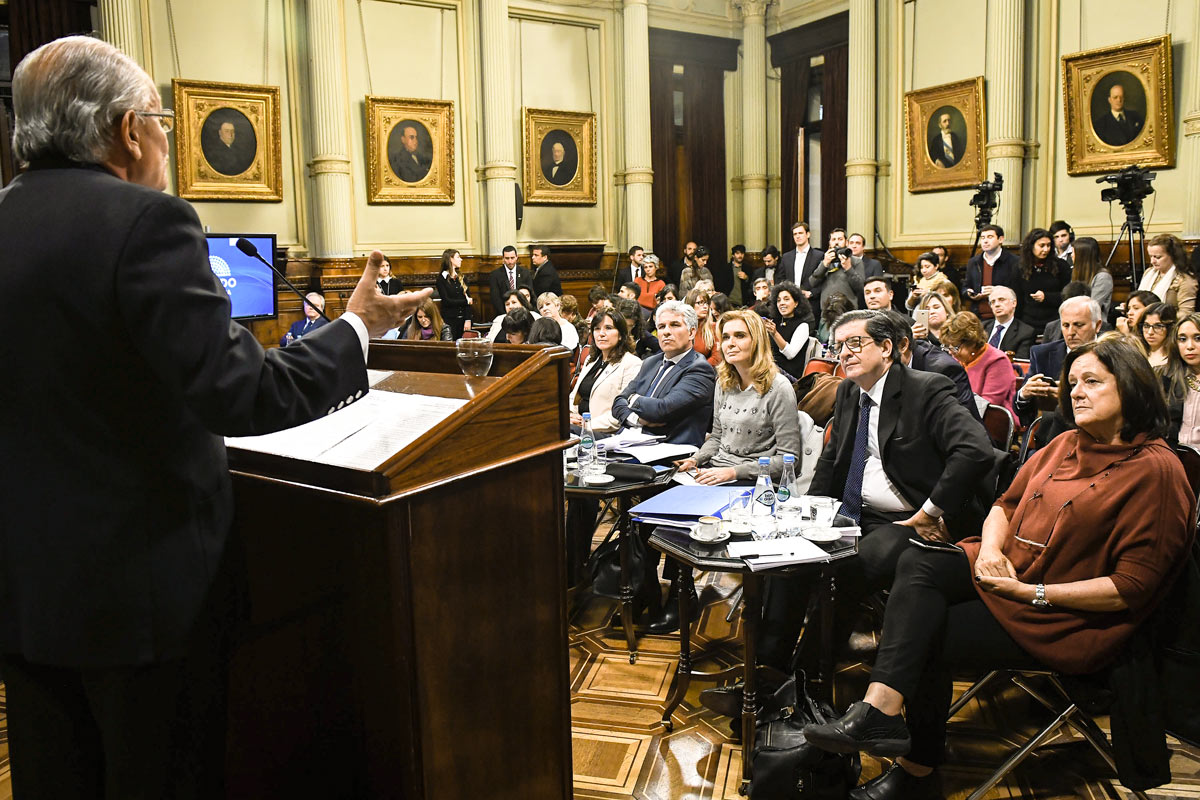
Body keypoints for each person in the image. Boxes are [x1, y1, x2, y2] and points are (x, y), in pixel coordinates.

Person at [0, 35, 431, 799]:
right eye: (161, 120)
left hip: (26, 596)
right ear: (131, 129)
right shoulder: (145, 222)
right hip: (143, 604)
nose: (164, 137)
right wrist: (357, 327)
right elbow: (245, 393)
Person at [802, 335, 1193, 799]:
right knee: (918, 559)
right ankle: (879, 712)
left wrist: (1034, 594)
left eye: (1093, 382)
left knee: (923, 629)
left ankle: (916, 771)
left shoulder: (1157, 471)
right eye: (1072, 383)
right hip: (1011, 574)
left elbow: (1131, 588)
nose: (1076, 392)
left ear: (1132, 388)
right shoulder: (1065, 442)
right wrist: (990, 549)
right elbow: (1004, 506)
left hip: (1066, 616)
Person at [749, 310, 994, 688]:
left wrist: (931, 511)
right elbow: (833, 458)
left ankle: (803, 685)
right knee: (787, 558)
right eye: (838, 345)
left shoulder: (927, 388)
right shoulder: (849, 390)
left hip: (910, 518)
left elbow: (976, 451)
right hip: (852, 512)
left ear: (888, 348)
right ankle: (764, 676)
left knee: (847, 567)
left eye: (854, 343)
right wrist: (808, 512)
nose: (843, 353)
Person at [676, 309, 802, 485]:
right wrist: (695, 459)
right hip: (717, 471)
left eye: (740, 336)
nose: (730, 343)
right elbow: (717, 438)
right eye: (726, 337)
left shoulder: (779, 387)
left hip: (753, 480)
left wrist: (733, 472)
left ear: (757, 341)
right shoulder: (723, 383)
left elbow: (789, 460)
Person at [611, 300, 717, 447]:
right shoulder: (651, 363)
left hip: (668, 450)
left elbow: (662, 410)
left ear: (692, 332)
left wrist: (633, 398)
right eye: (661, 326)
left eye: (674, 325)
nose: (666, 331)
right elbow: (617, 403)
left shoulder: (699, 369)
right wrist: (636, 420)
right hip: (629, 441)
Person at [1015, 296, 1102, 443]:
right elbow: (1021, 411)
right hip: (1049, 437)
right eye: (1065, 325)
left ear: (1097, 325)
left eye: (1078, 325)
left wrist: (1066, 398)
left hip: (1096, 434)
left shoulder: (1111, 355)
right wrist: (1024, 395)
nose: (1071, 332)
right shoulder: (1042, 354)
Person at [885, 311, 982, 421]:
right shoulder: (875, 371)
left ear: (903, 345)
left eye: (885, 348)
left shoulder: (943, 370)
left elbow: (962, 425)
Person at [570, 310, 643, 435]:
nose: (601, 334)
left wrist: (587, 423)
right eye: (597, 329)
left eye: (608, 328)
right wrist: (570, 416)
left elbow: (624, 410)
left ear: (621, 334)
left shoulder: (631, 363)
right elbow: (574, 397)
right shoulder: (591, 360)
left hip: (605, 432)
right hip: (577, 427)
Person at [940, 311, 1018, 416]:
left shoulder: (998, 361)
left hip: (992, 423)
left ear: (972, 342)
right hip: (960, 417)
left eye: (955, 347)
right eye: (947, 346)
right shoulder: (958, 359)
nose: (950, 352)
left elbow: (988, 405)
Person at [1016, 227, 1072, 332]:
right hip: (1028, 320)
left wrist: (1046, 297)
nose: (1046, 249)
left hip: (1054, 319)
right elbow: (1017, 296)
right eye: (1041, 246)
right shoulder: (1019, 267)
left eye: (1049, 245)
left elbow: (1067, 295)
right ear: (1031, 246)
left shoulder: (1061, 266)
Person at [964, 224, 1021, 319]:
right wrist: (969, 293)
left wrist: (998, 290)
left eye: (990, 237)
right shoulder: (973, 262)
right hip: (978, 315)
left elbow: (1019, 289)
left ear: (1000, 239)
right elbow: (965, 286)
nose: (985, 241)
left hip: (1005, 316)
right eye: (982, 238)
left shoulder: (1014, 262)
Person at [1163, 312, 1200, 446]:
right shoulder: (1167, 377)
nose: (1189, 346)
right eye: (1182, 339)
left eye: (1198, 338)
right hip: (1176, 457)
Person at [766, 280, 815, 378]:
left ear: (796, 303)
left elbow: (790, 354)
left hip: (789, 375)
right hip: (770, 370)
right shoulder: (774, 322)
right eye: (779, 300)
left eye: (786, 299)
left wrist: (775, 334)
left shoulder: (802, 326)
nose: (782, 303)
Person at [1139, 233, 1197, 314]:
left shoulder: (1185, 280)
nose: (1152, 261)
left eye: (1157, 257)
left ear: (1173, 256)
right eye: (1150, 256)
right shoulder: (1148, 272)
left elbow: (1186, 314)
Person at [982, 285, 1037, 359]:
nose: (997, 305)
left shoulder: (1026, 332)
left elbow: (1020, 364)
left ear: (1014, 303)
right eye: (993, 302)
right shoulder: (982, 327)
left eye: (1001, 300)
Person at [810, 239, 865, 312]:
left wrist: (848, 268)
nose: (836, 242)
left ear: (846, 242)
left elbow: (860, 287)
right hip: (827, 312)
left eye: (840, 239)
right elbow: (812, 282)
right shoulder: (824, 261)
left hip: (848, 311)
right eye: (833, 239)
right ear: (829, 243)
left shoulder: (856, 261)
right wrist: (824, 265)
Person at [1070, 235, 1112, 317]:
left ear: (1082, 256)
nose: (1071, 255)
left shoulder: (1103, 277)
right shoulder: (1075, 272)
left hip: (1094, 322)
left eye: (1073, 252)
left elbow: (1093, 306)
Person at [436, 248, 473, 339]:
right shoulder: (441, 279)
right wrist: (466, 301)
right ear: (450, 259)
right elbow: (447, 301)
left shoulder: (462, 278)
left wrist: (468, 319)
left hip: (463, 319)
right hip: (450, 320)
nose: (461, 259)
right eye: (458, 257)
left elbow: (469, 299)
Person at [1093, 82, 1145, 147]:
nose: (1119, 100)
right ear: (1109, 100)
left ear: (1124, 98)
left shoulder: (1136, 117)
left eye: (1121, 97)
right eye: (1115, 97)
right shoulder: (1100, 124)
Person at [487, 245, 532, 316]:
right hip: (504, 314)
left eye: (512, 258)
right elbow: (495, 298)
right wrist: (506, 314)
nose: (510, 261)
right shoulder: (495, 275)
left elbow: (529, 294)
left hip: (523, 313)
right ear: (503, 259)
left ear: (517, 257)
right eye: (507, 258)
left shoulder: (525, 273)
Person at [684, 288, 721, 365]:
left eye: (707, 303)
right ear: (690, 305)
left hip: (704, 370)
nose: (705, 307)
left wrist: (697, 369)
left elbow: (716, 358)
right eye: (700, 303)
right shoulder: (682, 327)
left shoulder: (714, 327)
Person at [386, 297, 451, 341]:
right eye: (420, 317)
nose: (423, 320)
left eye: (427, 316)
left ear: (433, 316)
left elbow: (447, 353)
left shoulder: (444, 329)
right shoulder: (410, 329)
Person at [1139, 302, 1177, 369]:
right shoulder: (1136, 354)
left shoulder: (1176, 359)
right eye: (1146, 325)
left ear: (1170, 328)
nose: (1150, 332)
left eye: (1158, 326)